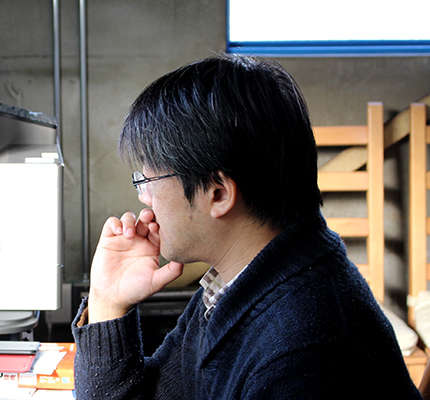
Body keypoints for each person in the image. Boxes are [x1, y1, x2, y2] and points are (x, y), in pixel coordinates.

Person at [72, 54, 422, 399]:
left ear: (218, 193)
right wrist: (108, 301)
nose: (145, 198)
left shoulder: (304, 351)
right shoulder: (237, 283)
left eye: (149, 181)